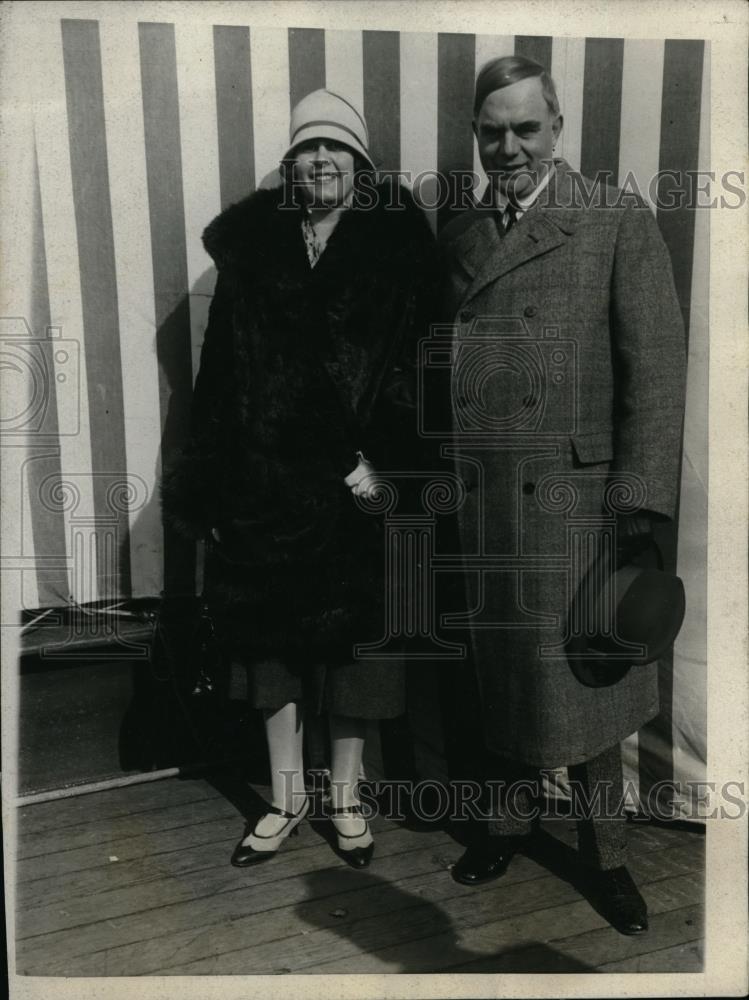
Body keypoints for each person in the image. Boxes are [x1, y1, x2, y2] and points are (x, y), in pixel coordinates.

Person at [436, 55, 687, 933]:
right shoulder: (460, 231)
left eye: (525, 129)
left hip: (578, 505)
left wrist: (635, 509)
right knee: (507, 676)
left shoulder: (613, 218)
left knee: (588, 679)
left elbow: (653, 376)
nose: (507, 146)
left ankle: (607, 855)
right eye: (490, 130)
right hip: (486, 497)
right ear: (476, 134)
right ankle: (506, 824)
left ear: (557, 129)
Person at [162, 89, 435, 870]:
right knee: (270, 647)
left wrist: (372, 464)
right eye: (307, 148)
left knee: (357, 652)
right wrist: (209, 484)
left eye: (335, 148)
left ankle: (346, 799)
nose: (320, 160)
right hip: (264, 486)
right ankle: (285, 801)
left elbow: (415, 367)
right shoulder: (253, 252)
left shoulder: (395, 251)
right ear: (289, 165)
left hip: (357, 483)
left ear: (360, 165)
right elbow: (217, 379)